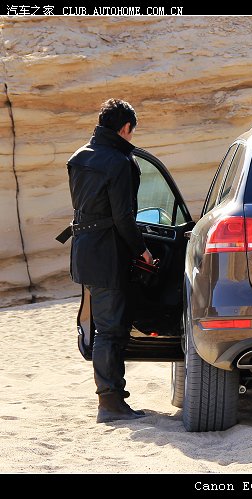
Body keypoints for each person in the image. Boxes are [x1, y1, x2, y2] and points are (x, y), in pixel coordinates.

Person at [65, 99, 153, 423]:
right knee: (110, 331)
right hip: (109, 254)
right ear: (126, 128)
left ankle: (112, 399)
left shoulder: (78, 158)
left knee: (104, 327)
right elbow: (123, 217)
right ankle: (110, 403)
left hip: (84, 251)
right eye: (132, 131)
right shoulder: (119, 161)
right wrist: (142, 250)